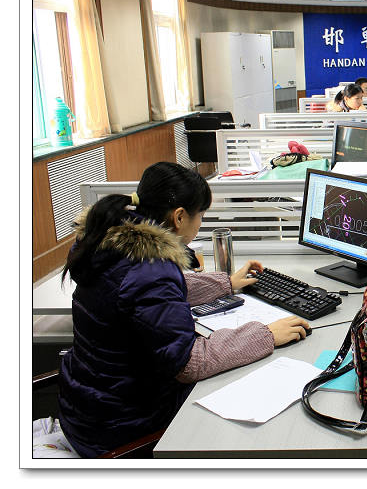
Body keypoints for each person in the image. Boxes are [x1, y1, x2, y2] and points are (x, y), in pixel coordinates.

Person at [57, 162, 310, 457]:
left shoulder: (111, 238)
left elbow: (140, 294)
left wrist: (226, 283)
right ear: (179, 217)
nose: (200, 223)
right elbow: (189, 363)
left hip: (86, 411)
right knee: (249, 382)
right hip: (121, 429)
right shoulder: (150, 270)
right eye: (200, 215)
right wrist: (265, 334)